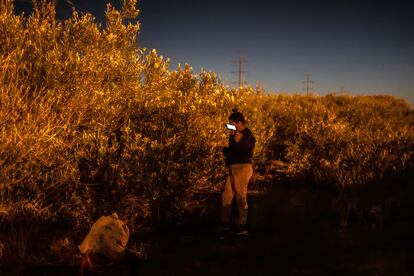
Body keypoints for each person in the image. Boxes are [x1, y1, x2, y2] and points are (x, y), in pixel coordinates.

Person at [220, 108, 256, 235]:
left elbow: (241, 151)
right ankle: (225, 223)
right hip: (232, 167)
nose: (231, 126)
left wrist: (227, 150)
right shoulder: (235, 134)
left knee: (241, 197)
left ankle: (242, 226)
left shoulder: (247, 135)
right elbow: (233, 149)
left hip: (242, 167)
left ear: (240, 122)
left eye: (232, 124)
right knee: (227, 195)